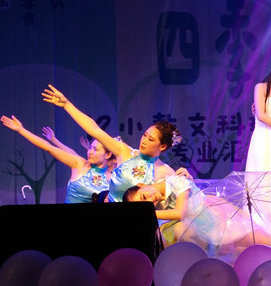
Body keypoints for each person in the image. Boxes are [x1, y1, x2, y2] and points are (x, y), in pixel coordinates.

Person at [42, 85, 181, 203]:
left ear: (162, 146)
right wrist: (67, 105)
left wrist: (188, 177)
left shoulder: (166, 172)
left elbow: (181, 200)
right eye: (144, 135)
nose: (144, 141)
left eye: (150, 139)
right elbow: (94, 129)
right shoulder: (125, 151)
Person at [0, 115, 112, 203]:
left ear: (108, 155)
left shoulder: (112, 177)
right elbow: (49, 148)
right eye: (90, 148)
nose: (90, 152)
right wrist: (21, 130)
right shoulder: (79, 164)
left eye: (95, 149)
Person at [123, 174, 198, 246]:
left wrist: (147, 212)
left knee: (180, 231)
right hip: (192, 225)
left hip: (201, 217)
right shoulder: (157, 205)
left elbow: (179, 214)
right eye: (146, 205)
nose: (150, 201)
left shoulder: (176, 182)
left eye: (144, 197)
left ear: (141, 185)